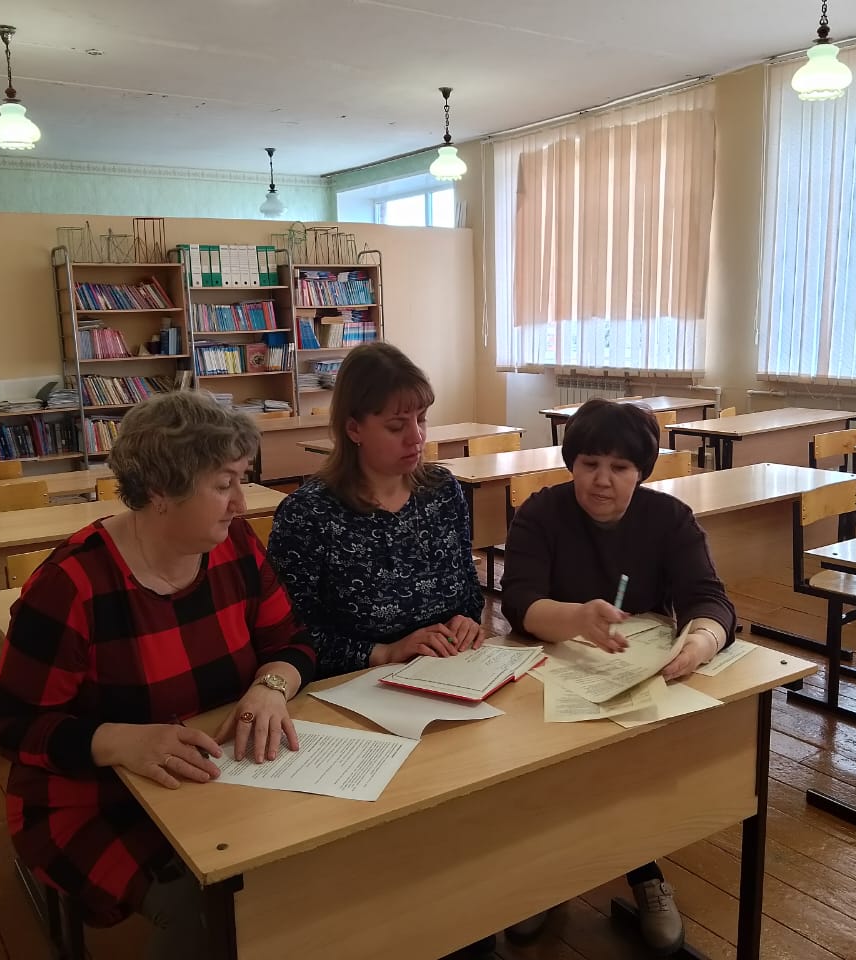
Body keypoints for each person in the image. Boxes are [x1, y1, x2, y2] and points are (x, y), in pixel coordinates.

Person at [0, 392, 315, 959]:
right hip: (97, 797)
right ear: (161, 491)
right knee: (210, 910)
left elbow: (291, 643)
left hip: (217, 774)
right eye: (224, 485)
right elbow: (13, 728)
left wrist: (271, 687)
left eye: (241, 479)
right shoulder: (71, 585)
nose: (241, 503)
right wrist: (121, 741)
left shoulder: (235, 546)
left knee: (305, 867)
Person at [500, 397, 736, 958]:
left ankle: (643, 868)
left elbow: (709, 599)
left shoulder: (669, 519)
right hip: (550, 672)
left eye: (619, 467)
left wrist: (700, 642)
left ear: (641, 471)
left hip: (635, 673)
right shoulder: (541, 513)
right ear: (572, 463)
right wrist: (577, 617)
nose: (601, 480)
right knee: (550, 773)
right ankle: (546, 875)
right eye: (589, 463)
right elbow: (519, 603)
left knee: (631, 772)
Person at [267, 341, 487, 679]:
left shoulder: (442, 491)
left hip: (449, 672)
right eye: (396, 426)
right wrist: (384, 652)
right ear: (353, 428)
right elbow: (293, 636)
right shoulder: (308, 513)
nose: (416, 437)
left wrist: (466, 622)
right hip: (355, 687)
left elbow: (469, 591)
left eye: (421, 419)